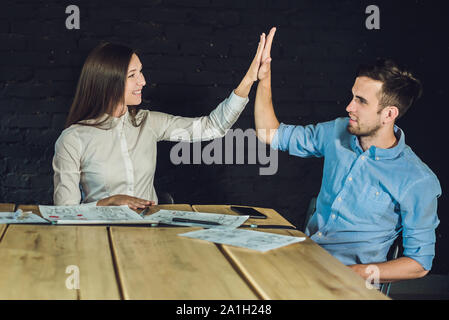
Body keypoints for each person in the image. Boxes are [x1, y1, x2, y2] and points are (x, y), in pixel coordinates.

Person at [254, 27, 441, 282]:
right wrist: (264, 78)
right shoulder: (337, 131)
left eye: (361, 101)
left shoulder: (417, 180)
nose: (349, 106)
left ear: (389, 114)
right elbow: (270, 133)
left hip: (345, 283)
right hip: (302, 261)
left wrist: (354, 273)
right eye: (352, 96)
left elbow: (419, 263)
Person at [53, 33, 268, 210]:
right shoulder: (73, 139)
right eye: (132, 75)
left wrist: (250, 78)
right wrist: (106, 203)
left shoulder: (149, 123)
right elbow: (64, 211)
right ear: (108, 82)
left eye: (141, 72)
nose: (143, 81)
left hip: (149, 234)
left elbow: (212, 127)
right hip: (99, 240)